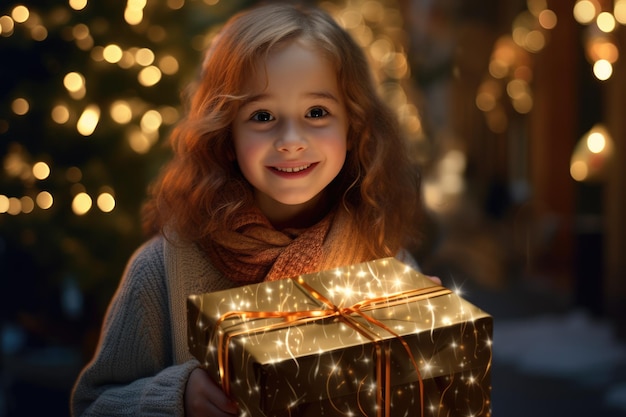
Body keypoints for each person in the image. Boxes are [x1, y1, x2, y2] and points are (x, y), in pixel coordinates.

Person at [71, 3, 427, 416]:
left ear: (353, 127)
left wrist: (424, 333)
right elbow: (92, 404)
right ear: (226, 133)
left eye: (317, 112)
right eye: (262, 115)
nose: (291, 140)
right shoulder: (161, 270)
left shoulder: (385, 263)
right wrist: (177, 398)